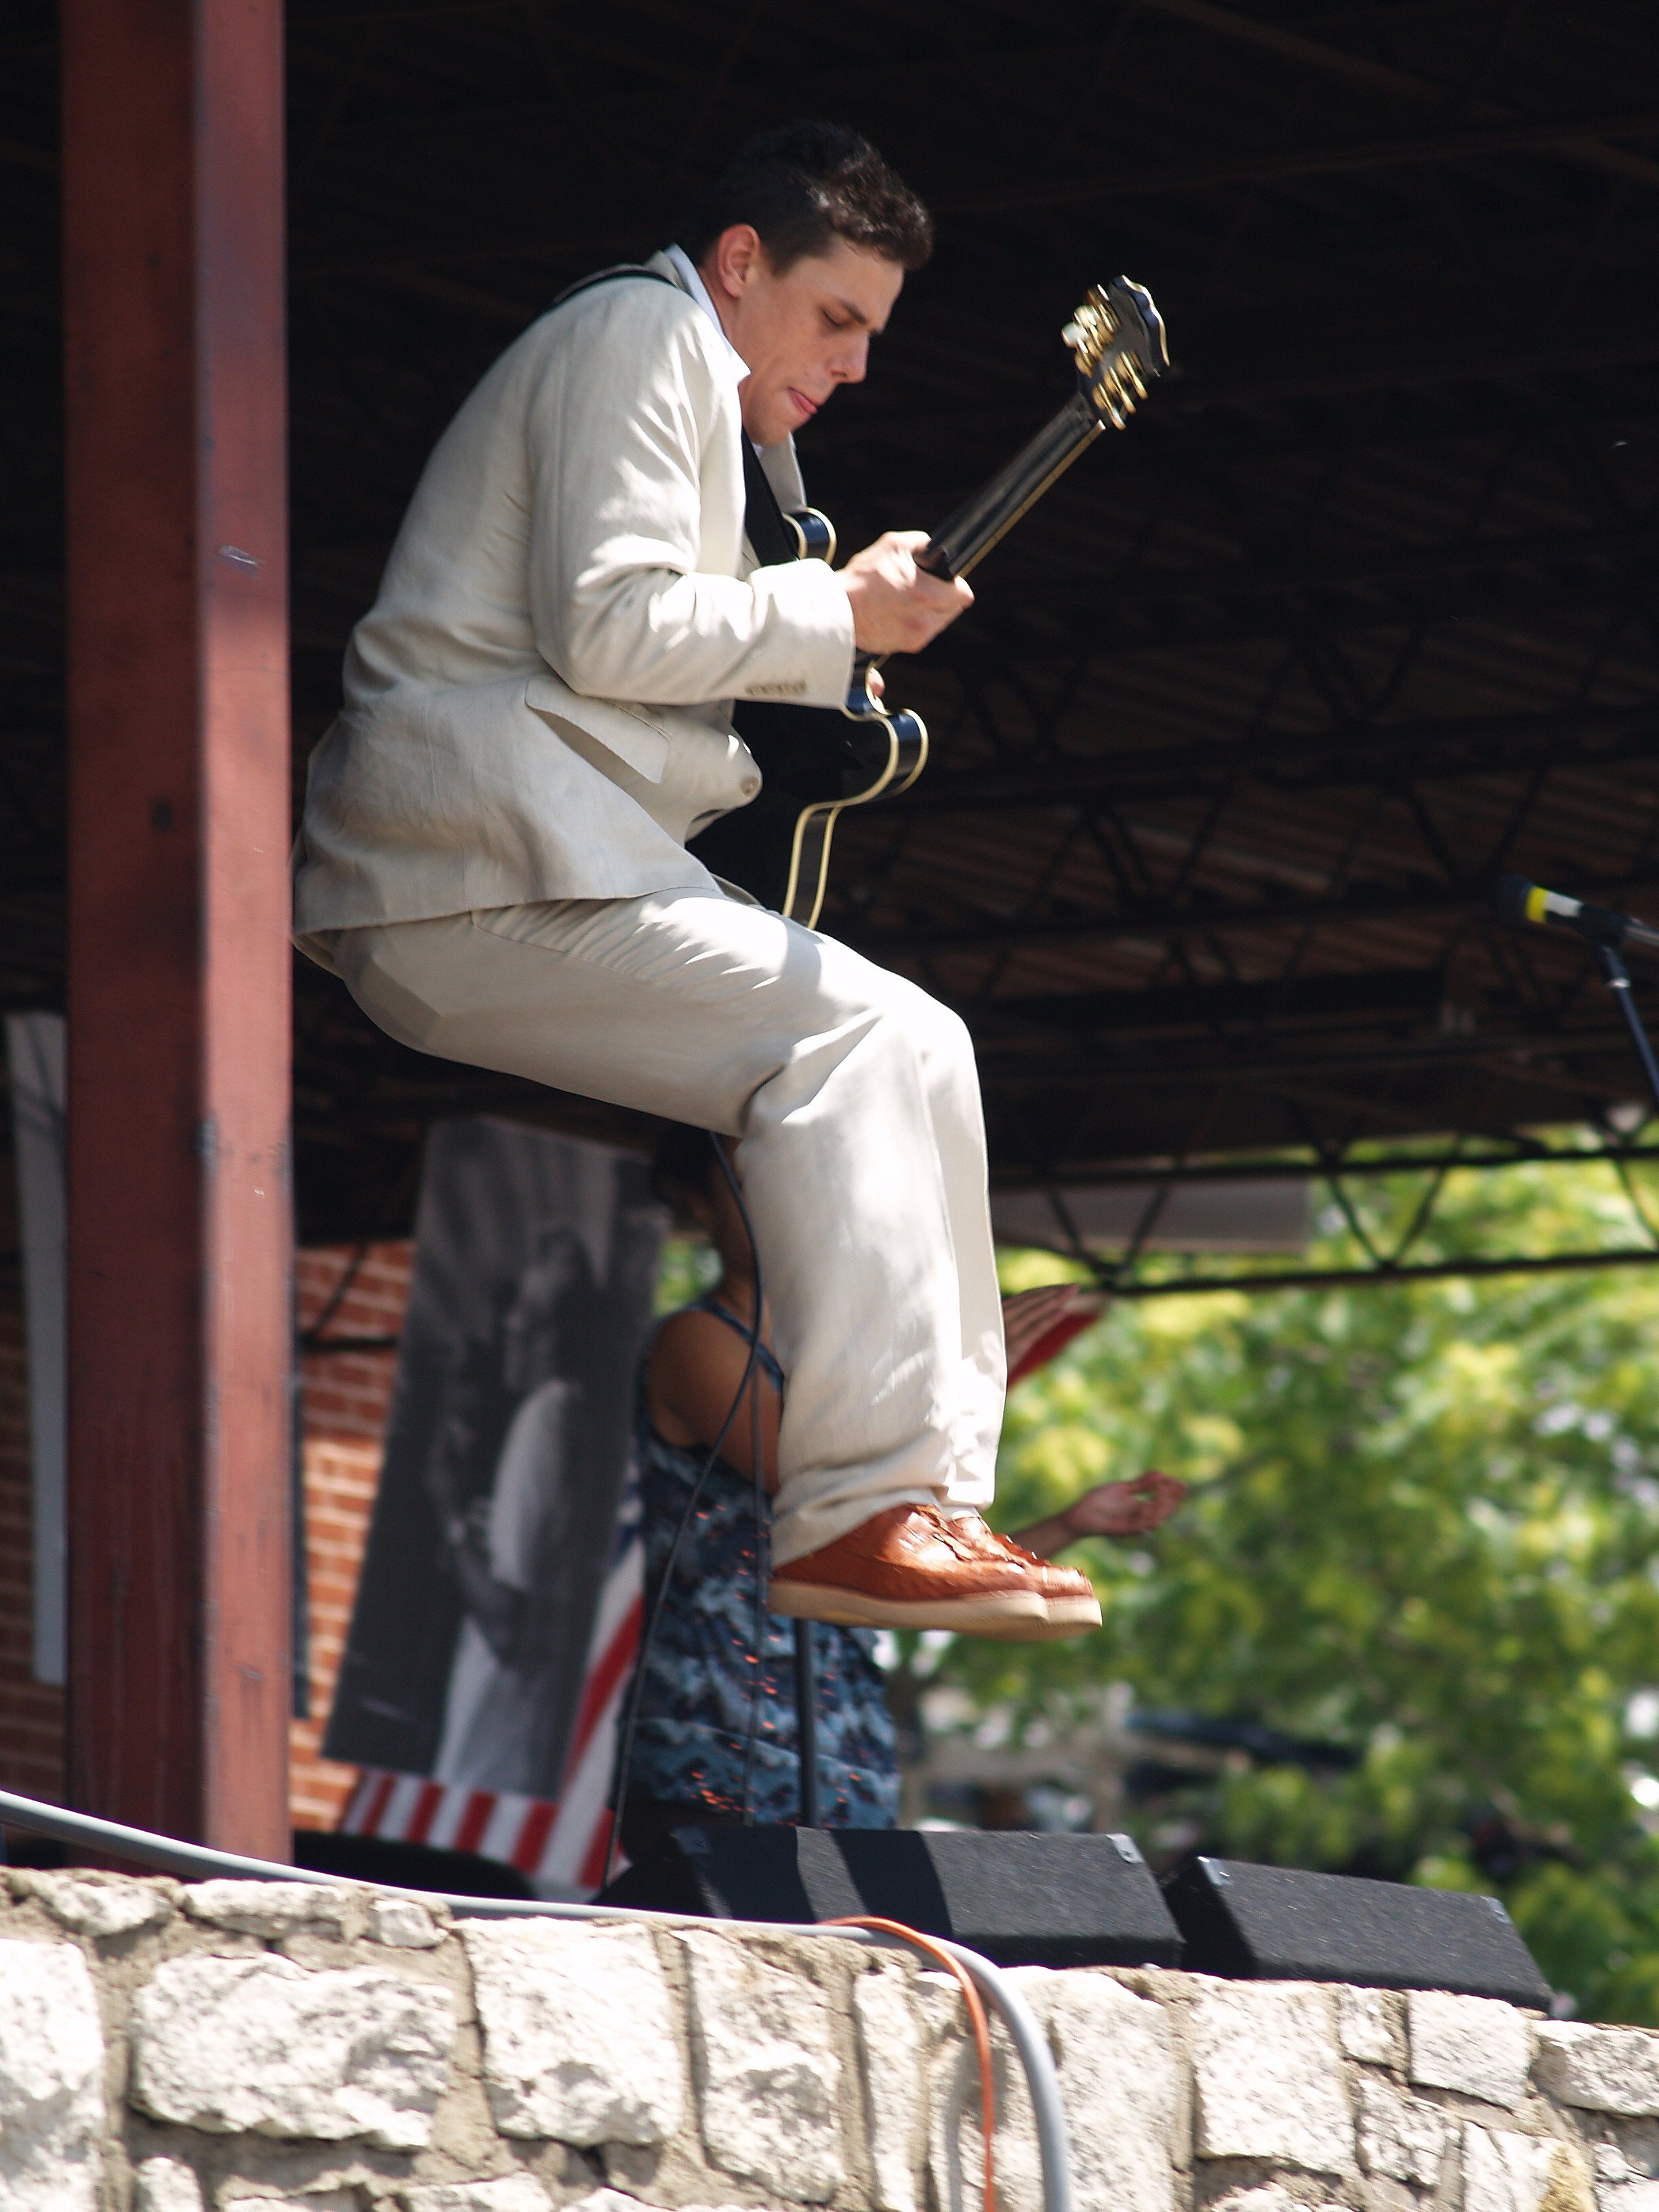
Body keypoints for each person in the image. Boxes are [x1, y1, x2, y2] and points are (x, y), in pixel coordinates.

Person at [292, 120, 1094, 1637]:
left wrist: (832, 634)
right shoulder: (643, 332)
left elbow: (644, 655)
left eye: (872, 332)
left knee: (918, 1039)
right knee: (856, 1039)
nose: (855, 363)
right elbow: (611, 624)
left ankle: (920, 1501)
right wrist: (831, 611)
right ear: (738, 264)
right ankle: (864, 1511)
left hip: (530, 864)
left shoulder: (713, 404)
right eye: (836, 315)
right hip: (475, 863)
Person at [620, 1126, 1189, 1852]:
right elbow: (817, 1469)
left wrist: (1067, 1524)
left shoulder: (849, 1373)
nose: (788, 1198)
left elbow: (904, 1558)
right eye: (754, 1179)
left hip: (843, 1765)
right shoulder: (696, 1340)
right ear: (702, 1205)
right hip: (714, 1751)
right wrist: (959, 1381)